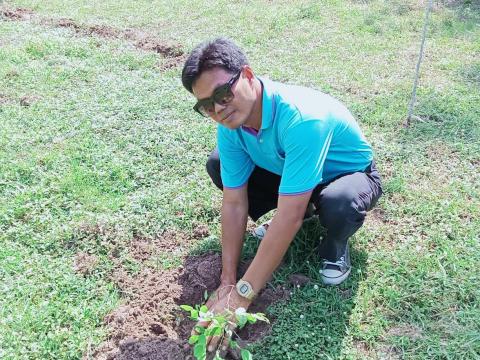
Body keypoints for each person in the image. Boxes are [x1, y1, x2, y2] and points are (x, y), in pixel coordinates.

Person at [181, 37, 382, 353]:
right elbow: (234, 202)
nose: (218, 109)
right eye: (206, 105)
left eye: (223, 94)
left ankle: (334, 244)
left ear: (247, 76)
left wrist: (242, 295)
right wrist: (227, 281)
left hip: (347, 177)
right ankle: (304, 208)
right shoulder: (230, 124)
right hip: (290, 169)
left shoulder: (303, 119)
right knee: (219, 164)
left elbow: (285, 218)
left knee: (339, 205)